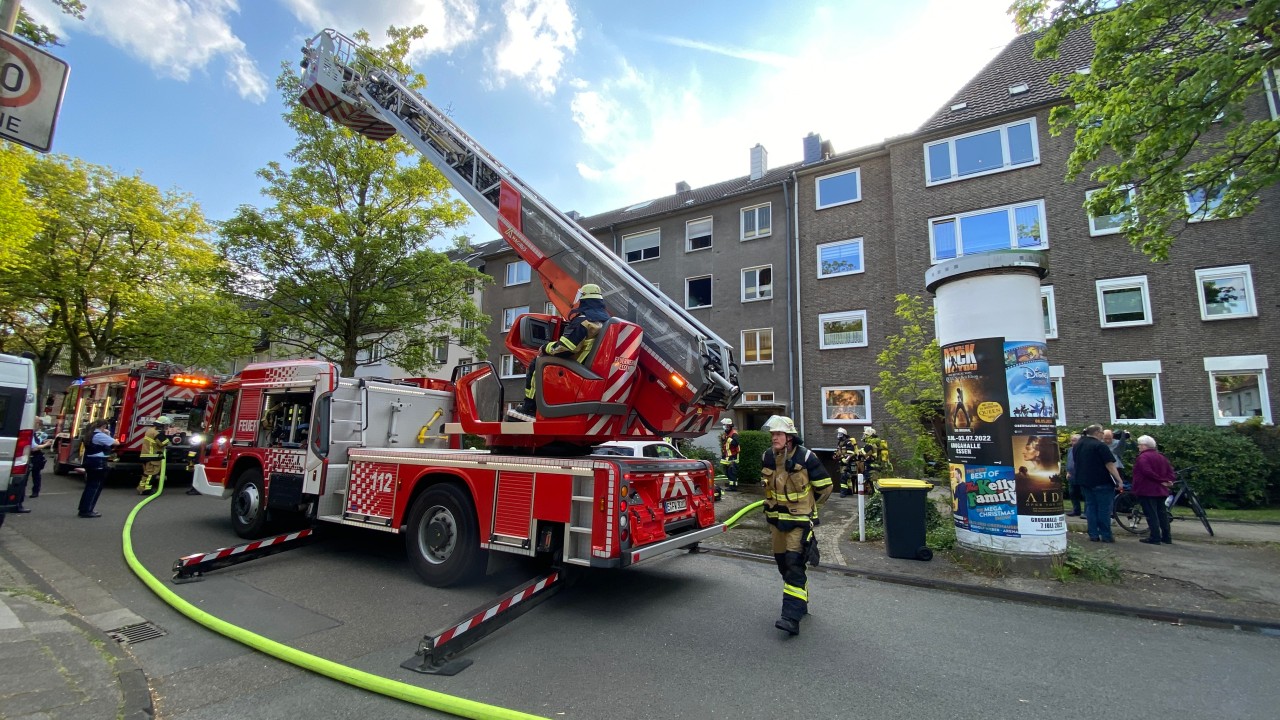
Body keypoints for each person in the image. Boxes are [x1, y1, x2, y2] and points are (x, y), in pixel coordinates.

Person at [760, 415, 833, 636]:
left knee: (793, 564)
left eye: (778, 434)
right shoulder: (767, 457)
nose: (774, 438)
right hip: (776, 521)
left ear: (790, 437)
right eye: (773, 434)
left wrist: (809, 508)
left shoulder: (806, 457)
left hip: (799, 522)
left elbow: (826, 488)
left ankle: (790, 618)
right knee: (783, 565)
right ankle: (800, 602)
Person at [510, 283, 609, 421]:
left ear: (584, 300)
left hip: (575, 366)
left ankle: (529, 407)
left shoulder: (583, 321)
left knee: (537, 363)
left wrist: (545, 348)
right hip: (587, 365)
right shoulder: (606, 321)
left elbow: (565, 348)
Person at [1074, 424, 1123, 542]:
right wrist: (1119, 480)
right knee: (1104, 509)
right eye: (1102, 433)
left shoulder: (1078, 445)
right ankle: (1106, 535)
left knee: (1090, 507)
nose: (1102, 436)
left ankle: (1093, 534)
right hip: (1102, 481)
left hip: (1084, 481)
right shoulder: (1100, 446)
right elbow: (1110, 464)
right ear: (1097, 433)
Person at [1131, 435, 1175, 545]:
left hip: (1147, 489)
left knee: (1151, 514)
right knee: (1162, 513)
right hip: (1161, 490)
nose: (1138, 447)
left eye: (1140, 445)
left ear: (1145, 446)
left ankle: (1155, 537)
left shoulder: (1143, 457)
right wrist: (1168, 481)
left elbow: (1147, 472)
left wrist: (1161, 480)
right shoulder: (1161, 457)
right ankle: (1166, 536)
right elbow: (1170, 471)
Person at [79, 419, 117, 518]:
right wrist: (108, 433)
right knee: (95, 487)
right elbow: (116, 443)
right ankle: (87, 510)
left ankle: (84, 508)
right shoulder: (99, 435)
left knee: (89, 486)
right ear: (103, 426)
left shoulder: (90, 434)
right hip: (98, 462)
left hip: (90, 461)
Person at [137, 415, 172, 495]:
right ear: (162, 425)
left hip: (146, 455)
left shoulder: (150, 430)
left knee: (146, 473)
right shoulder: (156, 433)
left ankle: (141, 488)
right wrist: (168, 437)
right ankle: (146, 489)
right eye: (166, 425)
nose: (167, 427)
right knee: (151, 474)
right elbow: (163, 443)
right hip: (153, 457)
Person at [719, 417, 740, 492]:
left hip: (733, 456)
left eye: (725, 425)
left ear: (729, 426)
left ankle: (733, 487)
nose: (724, 426)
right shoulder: (727, 433)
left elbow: (736, 443)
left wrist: (728, 438)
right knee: (728, 472)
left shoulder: (734, 434)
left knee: (732, 472)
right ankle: (732, 485)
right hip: (727, 456)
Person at [834, 427, 856, 497]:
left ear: (844, 435)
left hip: (848, 463)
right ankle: (849, 491)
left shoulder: (848, 442)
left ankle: (843, 493)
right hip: (842, 462)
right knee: (848, 478)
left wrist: (846, 459)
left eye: (840, 434)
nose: (838, 436)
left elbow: (851, 453)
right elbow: (838, 452)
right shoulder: (839, 443)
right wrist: (835, 455)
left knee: (843, 477)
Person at [1065, 433, 1083, 516]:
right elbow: (1069, 461)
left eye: (1074, 441)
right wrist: (1067, 471)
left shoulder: (1083, 449)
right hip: (1072, 475)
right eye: (1072, 440)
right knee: (1073, 494)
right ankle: (1076, 510)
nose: (1072, 442)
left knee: (1084, 494)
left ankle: (1086, 513)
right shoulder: (1070, 450)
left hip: (1081, 474)